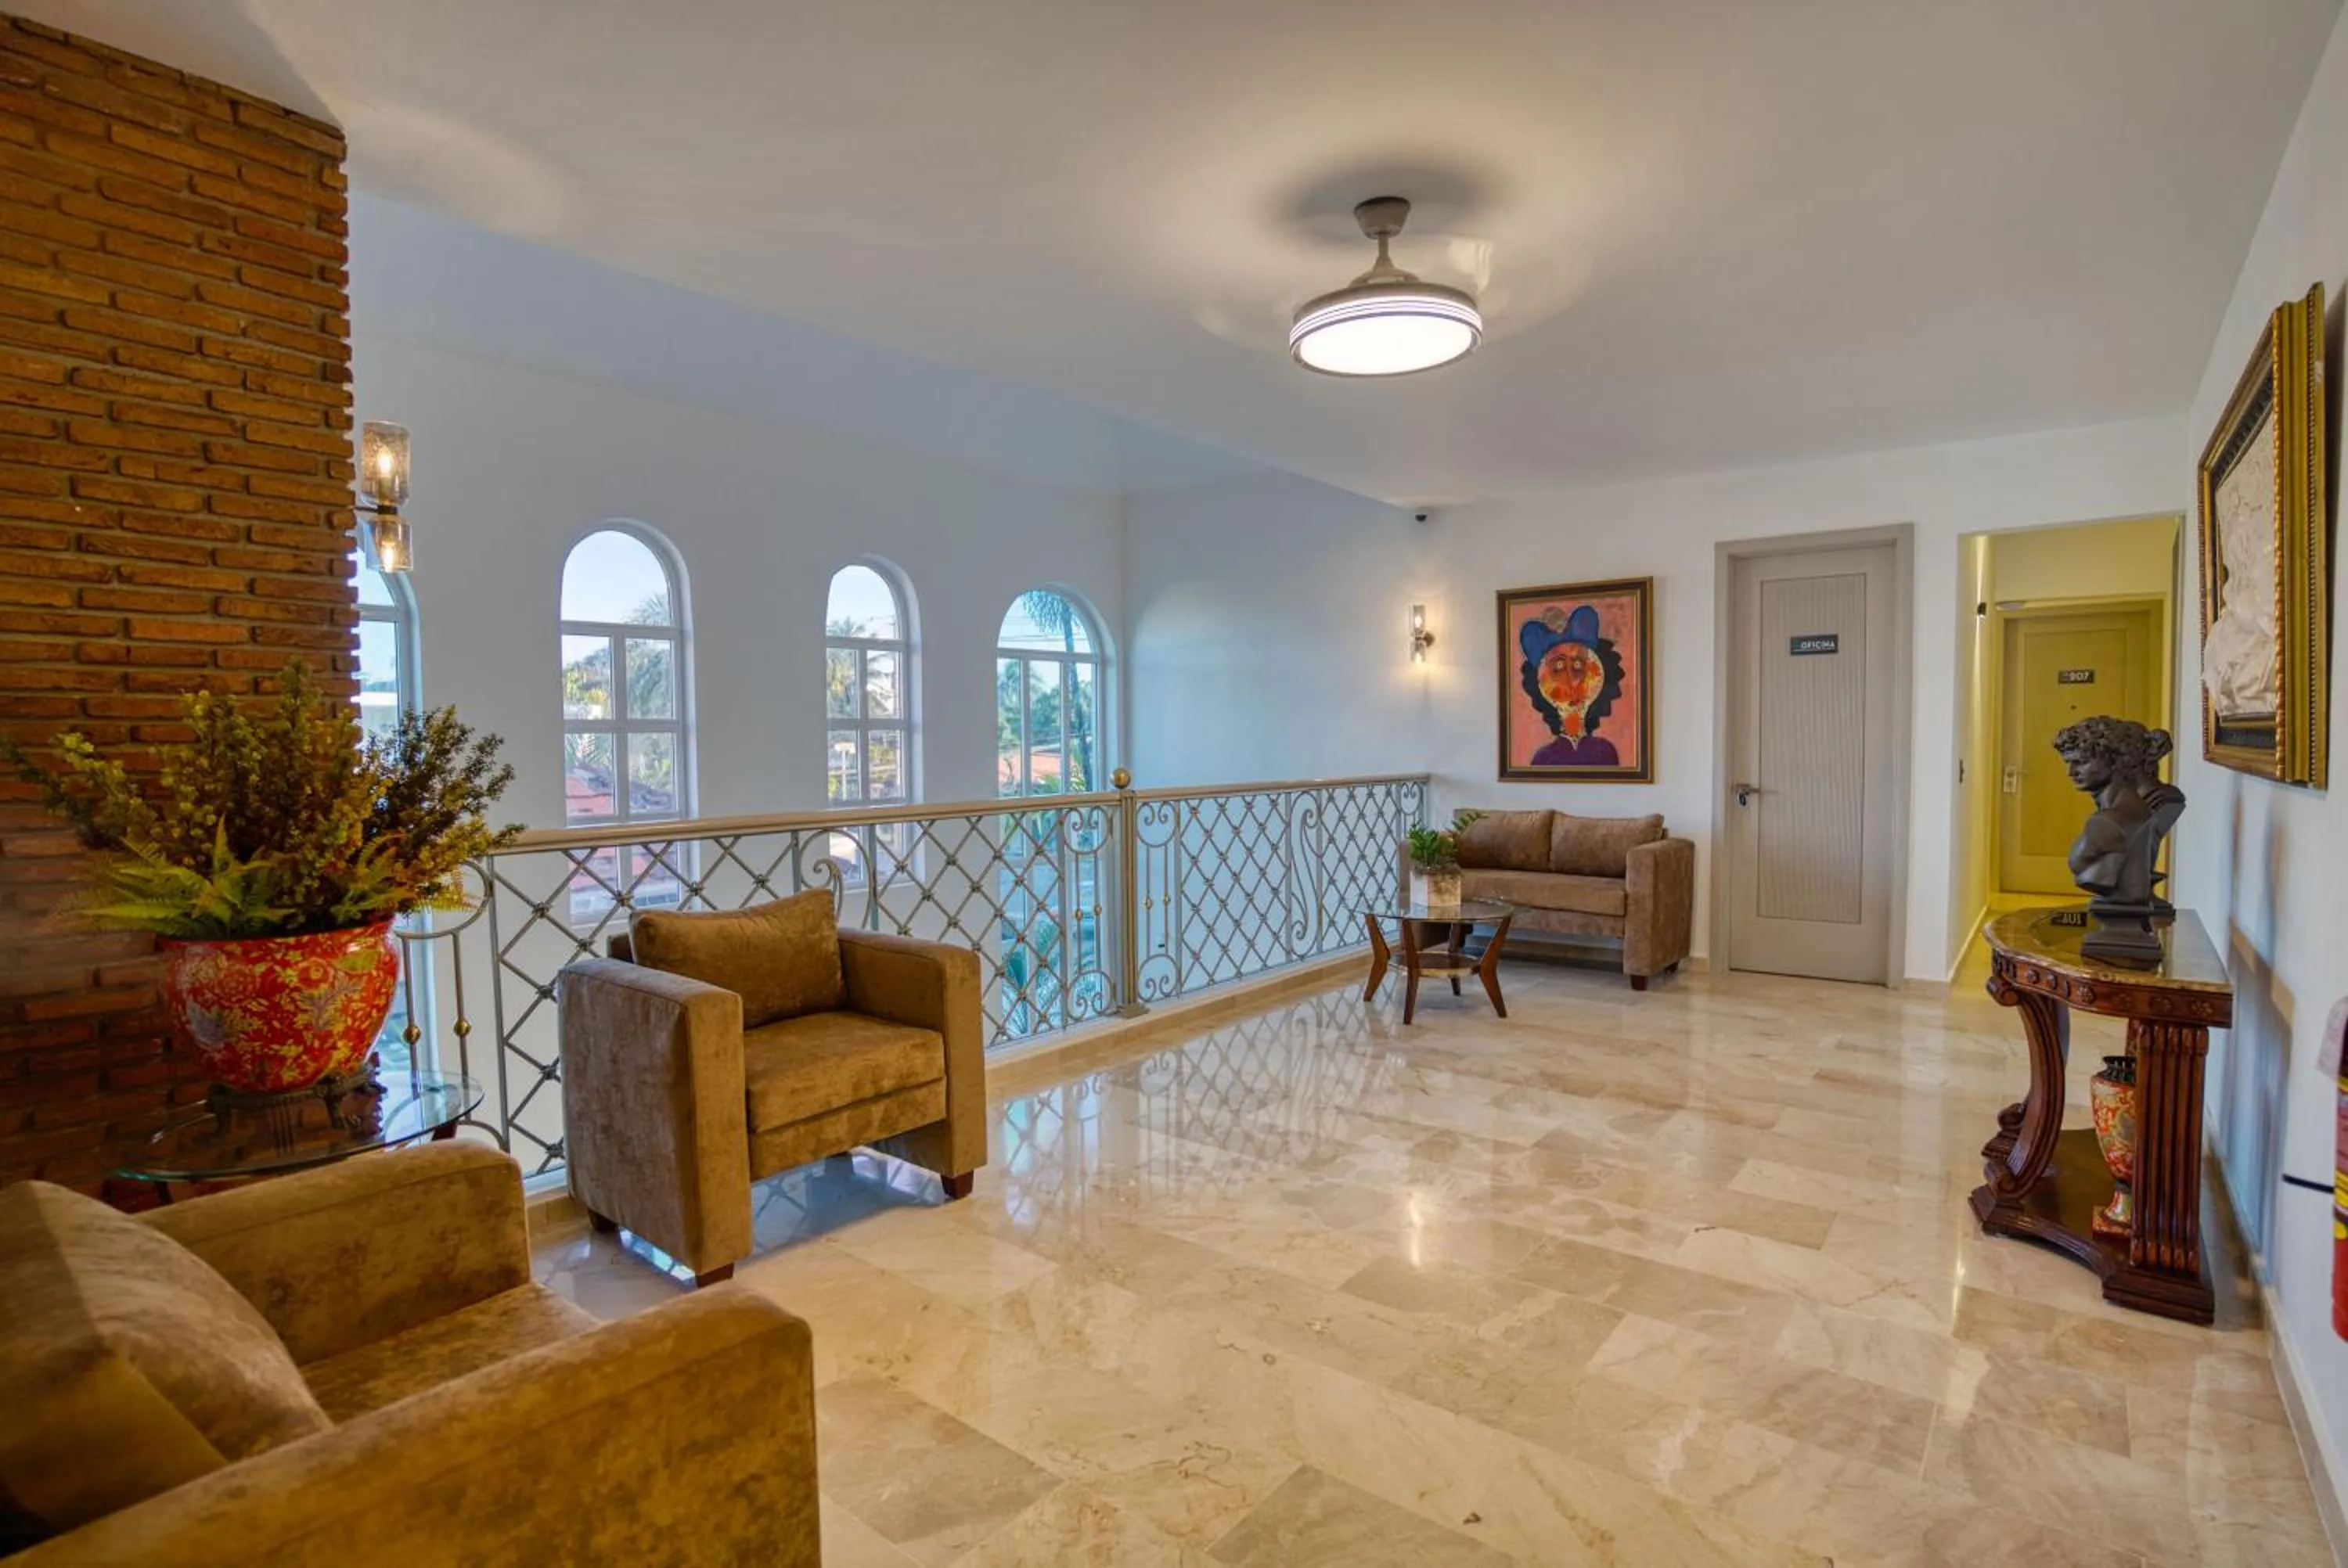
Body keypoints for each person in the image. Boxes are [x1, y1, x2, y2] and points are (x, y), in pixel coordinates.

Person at [1520, 605, 1625, 768]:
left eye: (1578, 665)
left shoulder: (1605, 752)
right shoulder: (1543, 759)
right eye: (1558, 667)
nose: (1570, 679)